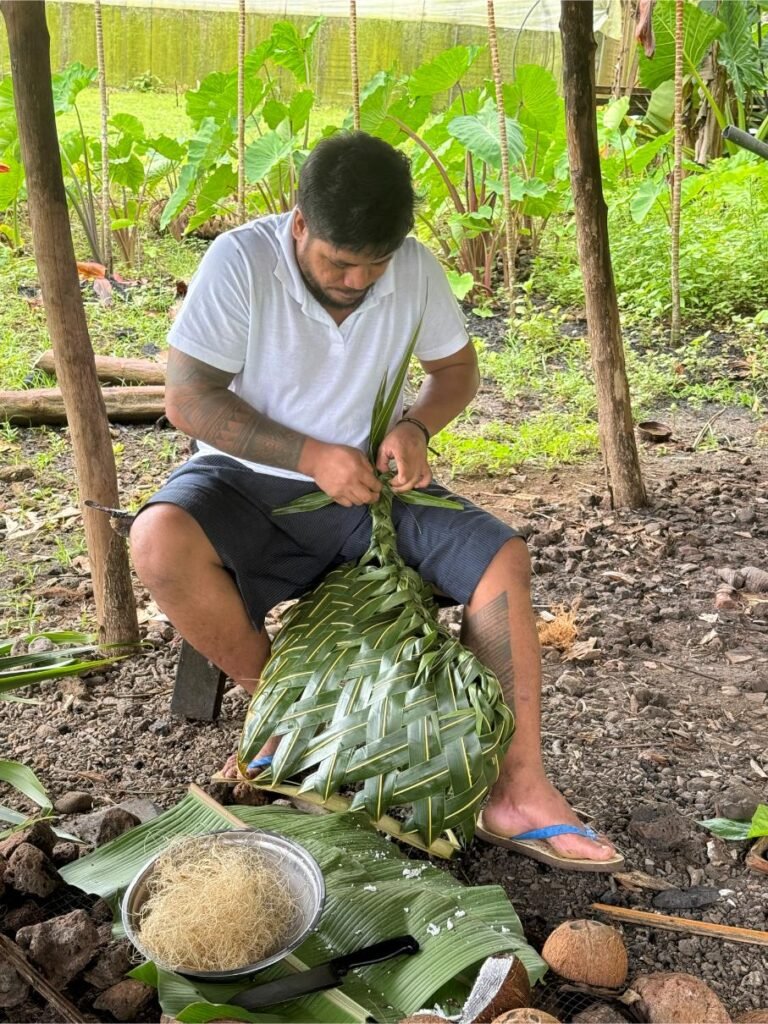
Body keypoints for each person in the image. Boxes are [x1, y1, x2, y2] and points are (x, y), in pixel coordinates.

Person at [130, 131, 623, 871]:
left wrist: (417, 425)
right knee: (157, 542)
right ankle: (287, 714)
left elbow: (455, 370)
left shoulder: (413, 271)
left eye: (375, 263)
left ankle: (517, 788)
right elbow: (189, 400)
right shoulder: (240, 262)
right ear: (299, 224)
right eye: (338, 261)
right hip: (246, 482)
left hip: (369, 491)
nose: (358, 280)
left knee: (501, 557)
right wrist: (305, 454)